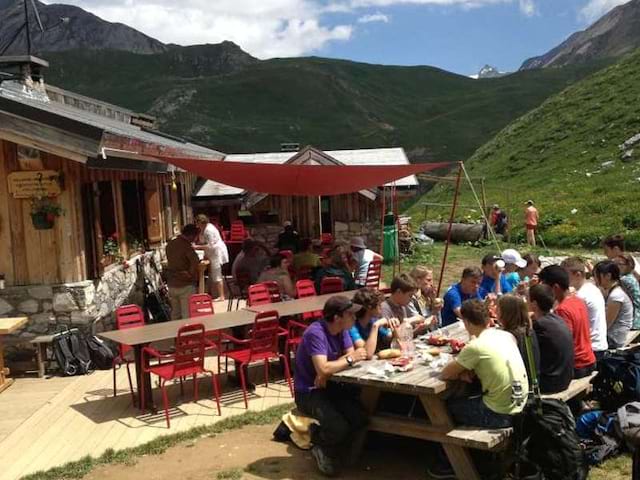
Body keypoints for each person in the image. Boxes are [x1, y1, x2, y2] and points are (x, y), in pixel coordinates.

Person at [294, 296, 368, 476]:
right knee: (338, 426)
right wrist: (336, 365)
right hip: (308, 392)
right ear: (336, 317)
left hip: (329, 386)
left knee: (360, 418)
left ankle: (328, 443)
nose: (354, 318)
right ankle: (321, 446)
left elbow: (350, 355)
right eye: (350, 314)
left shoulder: (341, 329)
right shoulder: (316, 333)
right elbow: (330, 364)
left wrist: (329, 370)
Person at [442, 299, 528, 427]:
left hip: (500, 415)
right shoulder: (506, 335)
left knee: (447, 407)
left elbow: (446, 373)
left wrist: (461, 374)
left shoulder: (475, 346)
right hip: (521, 406)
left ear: (466, 322)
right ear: (488, 319)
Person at [539, 265, 596, 378]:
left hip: (577, 365)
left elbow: (563, 343)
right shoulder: (578, 301)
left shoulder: (562, 310)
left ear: (555, 288)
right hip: (589, 360)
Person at [528, 284, 574, 394]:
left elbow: (529, 351)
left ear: (534, 304)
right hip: (565, 378)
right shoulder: (558, 319)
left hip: (551, 384)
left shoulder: (539, 326)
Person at [561, 257, 608, 356]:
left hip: (591, 349)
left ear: (578, 274)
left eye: (565, 275)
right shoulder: (592, 288)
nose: (562, 278)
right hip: (599, 345)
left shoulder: (581, 296)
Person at [496, 294, 541, 389]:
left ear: (505, 313)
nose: (496, 311)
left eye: (498, 309)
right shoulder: (528, 330)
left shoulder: (508, 337)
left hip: (520, 388)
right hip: (533, 382)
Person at [593, 260, 633, 349]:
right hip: (614, 335)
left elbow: (606, 324)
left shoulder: (616, 296)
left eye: (596, 276)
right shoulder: (614, 290)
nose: (594, 279)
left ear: (608, 276)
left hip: (614, 339)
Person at [350, 288, 399, 359]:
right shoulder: (352, 327)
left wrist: (394, 327)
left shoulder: (373, 320)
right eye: (379, 305)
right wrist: (375, 326)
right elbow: (367, 354)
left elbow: (395, 340)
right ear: (369, 307)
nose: (381, 307)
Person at [165, 224, 200, 320]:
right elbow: (195, 261)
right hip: (185, 285)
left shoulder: (170, 244)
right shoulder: (186, 245)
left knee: (175, 314)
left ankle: (175, 334)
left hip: (172, 283)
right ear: (192, 235)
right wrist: (190, 274)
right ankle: (187, 334)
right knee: (187, 314)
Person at [195, 214, 229, 301]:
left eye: (197, 222)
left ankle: (221, 296)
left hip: (215, 253)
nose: (196, 225)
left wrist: (196, 247)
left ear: (201, 222)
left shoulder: (208, 230)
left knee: (217, 274)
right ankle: (210, 293)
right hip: (211, 253)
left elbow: (210, 245)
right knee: (211, 274)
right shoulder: (205, 228)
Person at [615, 254, 640, 330]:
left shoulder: (625, 280)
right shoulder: (630, 276)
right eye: (615, 264)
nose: (616, 266)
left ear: (628, 265)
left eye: (620, 264)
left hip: (634, 319)